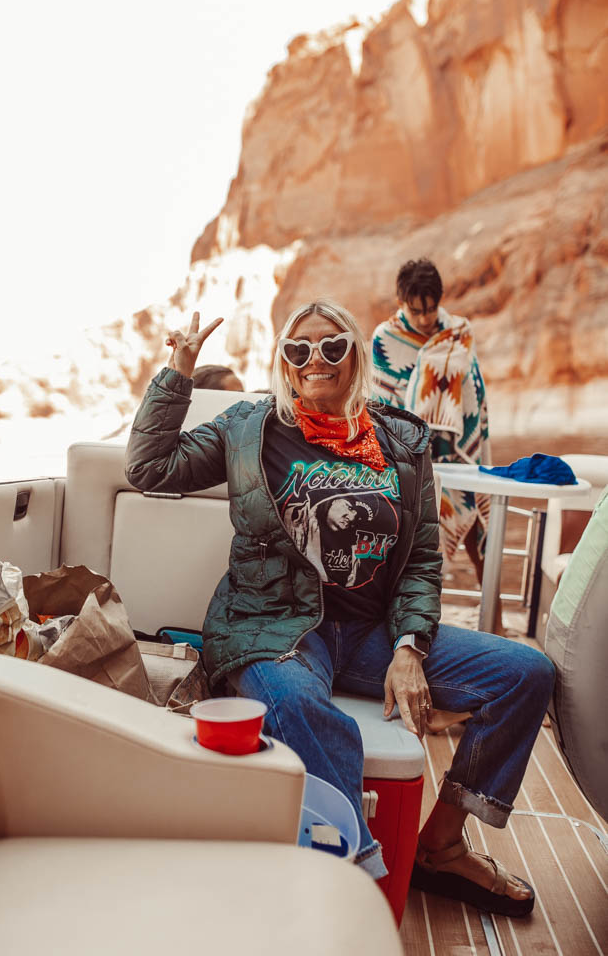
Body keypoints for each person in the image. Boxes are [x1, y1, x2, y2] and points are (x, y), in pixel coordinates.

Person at [125, 301, 554, 918]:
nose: (314, 361)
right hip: (271, 626)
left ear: (354, 355)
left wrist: (410, 646)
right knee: (299, 705)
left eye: (331, 347)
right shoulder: (250, 427)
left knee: (525, 674)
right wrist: (179, 371)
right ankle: (358, 882)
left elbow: (422, 561)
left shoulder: (402, 440)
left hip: (371, 631)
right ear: (284, 362)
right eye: (298, 350)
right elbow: (147, 467)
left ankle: (441, 844)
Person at [371, 259, 504, 635]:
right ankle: (420, 627)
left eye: (431, 308)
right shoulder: (385, 338)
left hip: (461, 450)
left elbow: (473, 390)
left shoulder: (459, 330)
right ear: (402, 301)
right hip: (414, 455)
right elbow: (383, 401)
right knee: (420, 544)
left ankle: (495, 628)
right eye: (417, 310)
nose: (426, 318)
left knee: (481, 532)